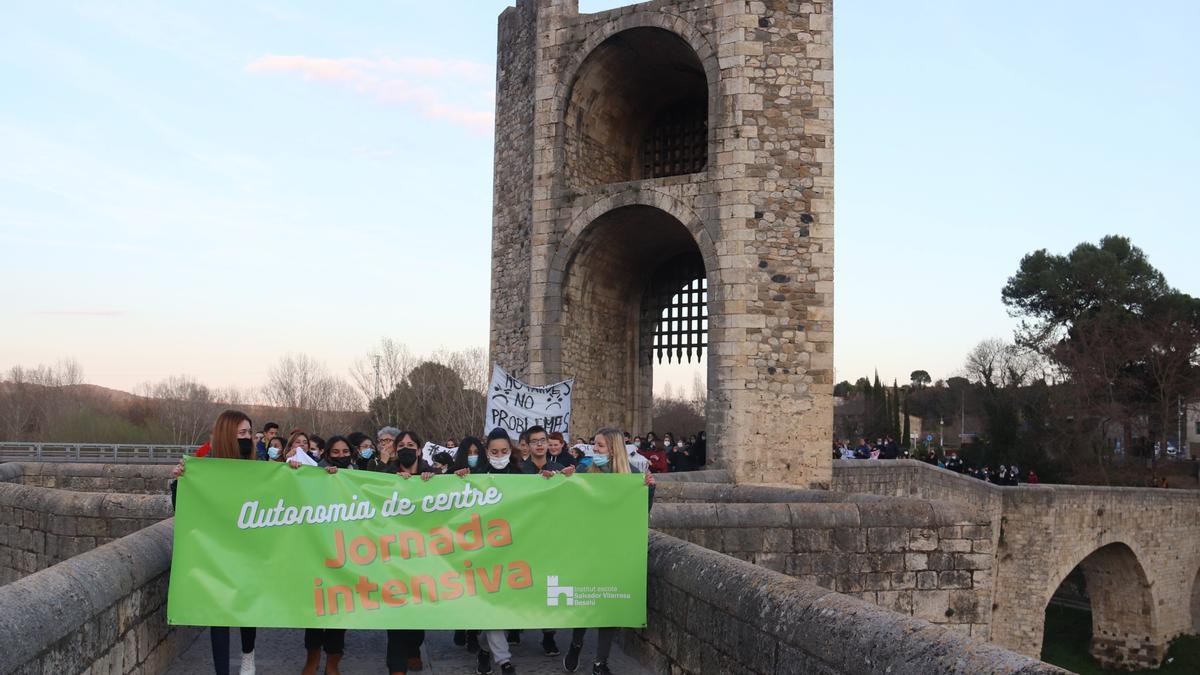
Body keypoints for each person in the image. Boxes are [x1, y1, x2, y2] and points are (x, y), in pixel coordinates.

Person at [170, 410, 259, 675]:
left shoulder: (257, 464)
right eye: (241, 433)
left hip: (250, 548)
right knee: (217, 613)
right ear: (227, 435)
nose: (247, 438)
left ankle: (248, 655)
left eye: (248, 433)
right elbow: (184, 509)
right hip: (217, 550)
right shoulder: (205, 466)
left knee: (248, 605)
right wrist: (179, 482)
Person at [563, 427, 655, 674]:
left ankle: (600, 662)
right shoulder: (584, 471)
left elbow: (640, 513)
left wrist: (648, 488)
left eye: (600, 446)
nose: (595, 450)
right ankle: (576, 643)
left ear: (614, 450)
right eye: (594, 445)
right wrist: (565, 479)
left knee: (609, 606)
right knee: (585, 601)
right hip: (588, 550)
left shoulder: (633, 475)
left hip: (615, 552)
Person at [298, 435, 352, 674]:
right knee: (316, 609)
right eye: (336, 452)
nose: (341, 456)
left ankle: (333, 661)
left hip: (348, 553)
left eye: (345, 451)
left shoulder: (359, 473)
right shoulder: (314, 473)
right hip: (317, 550)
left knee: (339, 611)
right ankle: (313, 657)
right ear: (328, 454)